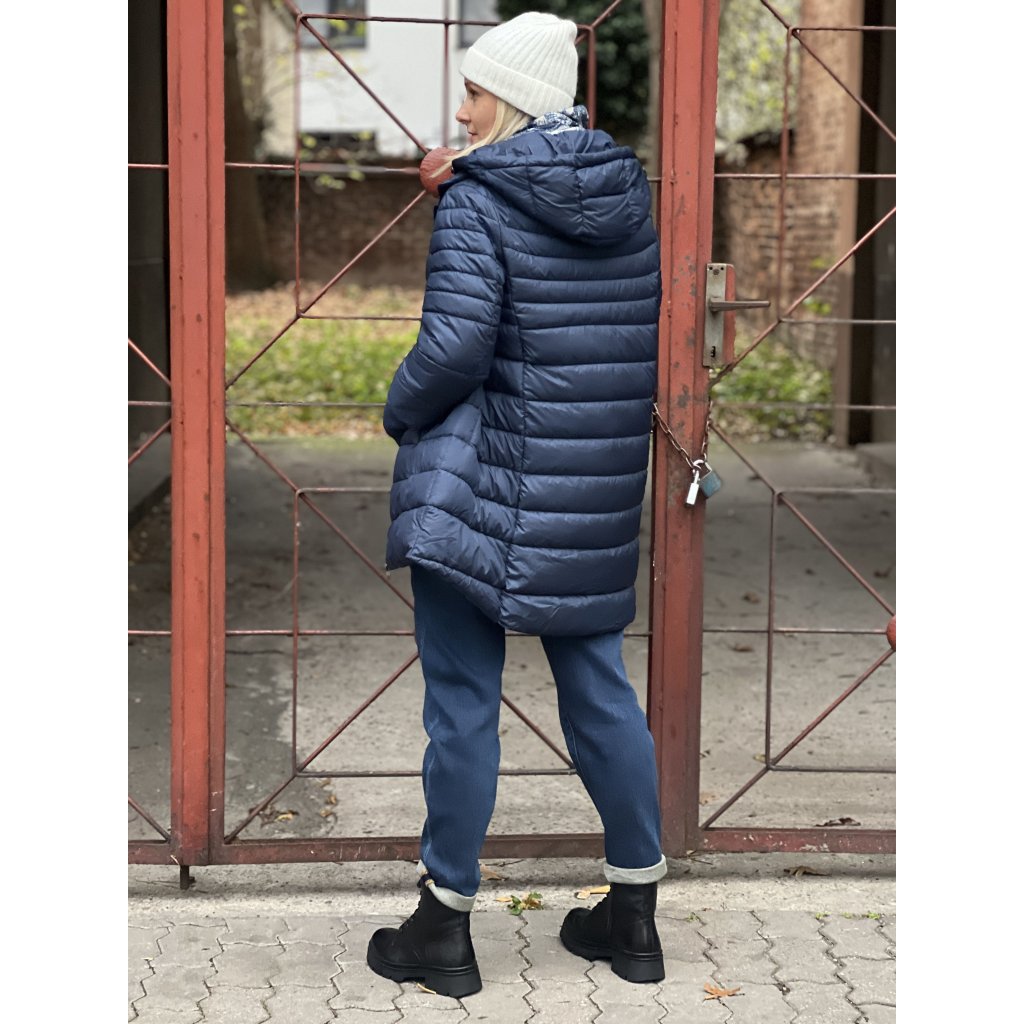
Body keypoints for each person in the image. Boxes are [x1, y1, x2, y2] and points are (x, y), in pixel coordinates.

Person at [365, 10, 666, 998]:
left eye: (475, 92)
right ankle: (633, 919)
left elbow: (454, 349)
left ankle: (442, 929)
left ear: (516, 100)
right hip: (585, 491)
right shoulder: (626, 197)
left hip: (478, 488)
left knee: (462, 705)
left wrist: (397, 408)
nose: (460, 111)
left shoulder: (476, 200)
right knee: (601, 692)